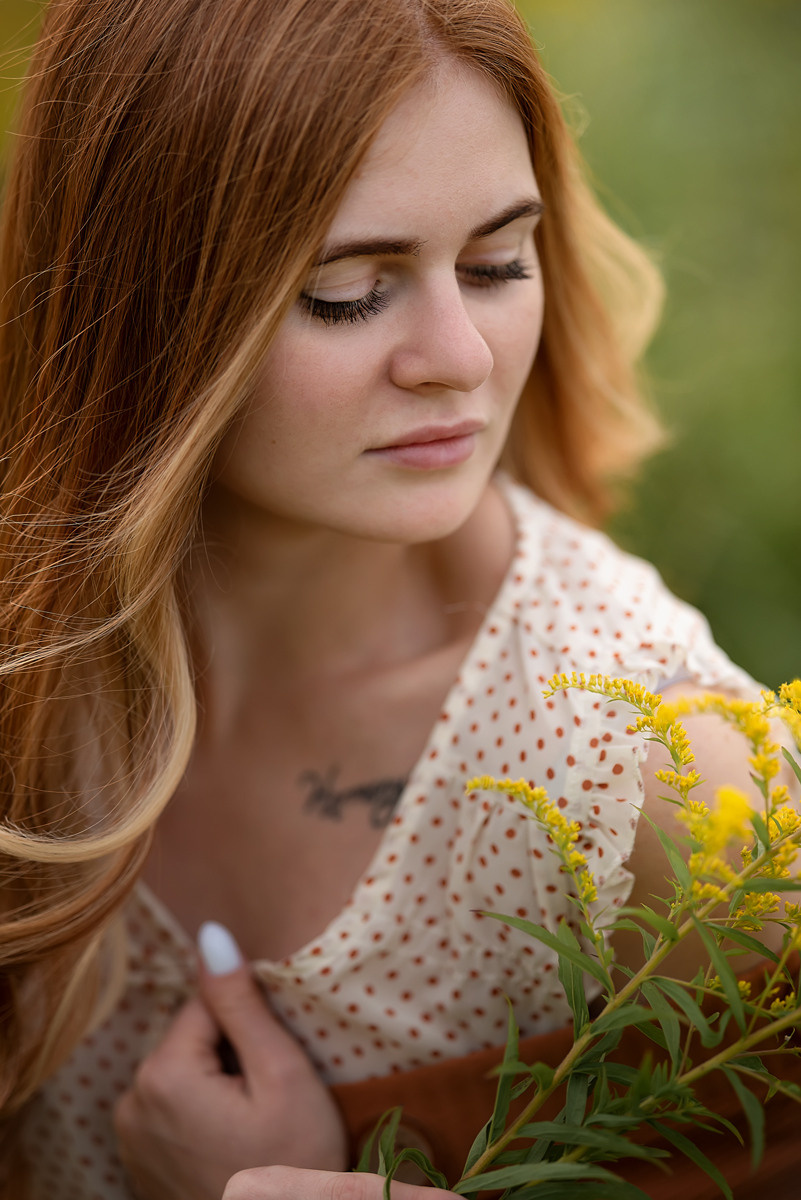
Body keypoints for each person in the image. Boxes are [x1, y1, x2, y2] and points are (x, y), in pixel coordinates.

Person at [0, 0, 794, 1197]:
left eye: (496, 266)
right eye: (350, 290)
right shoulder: (30, 676)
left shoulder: (652, 772)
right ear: (145, 305)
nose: (460, 356)